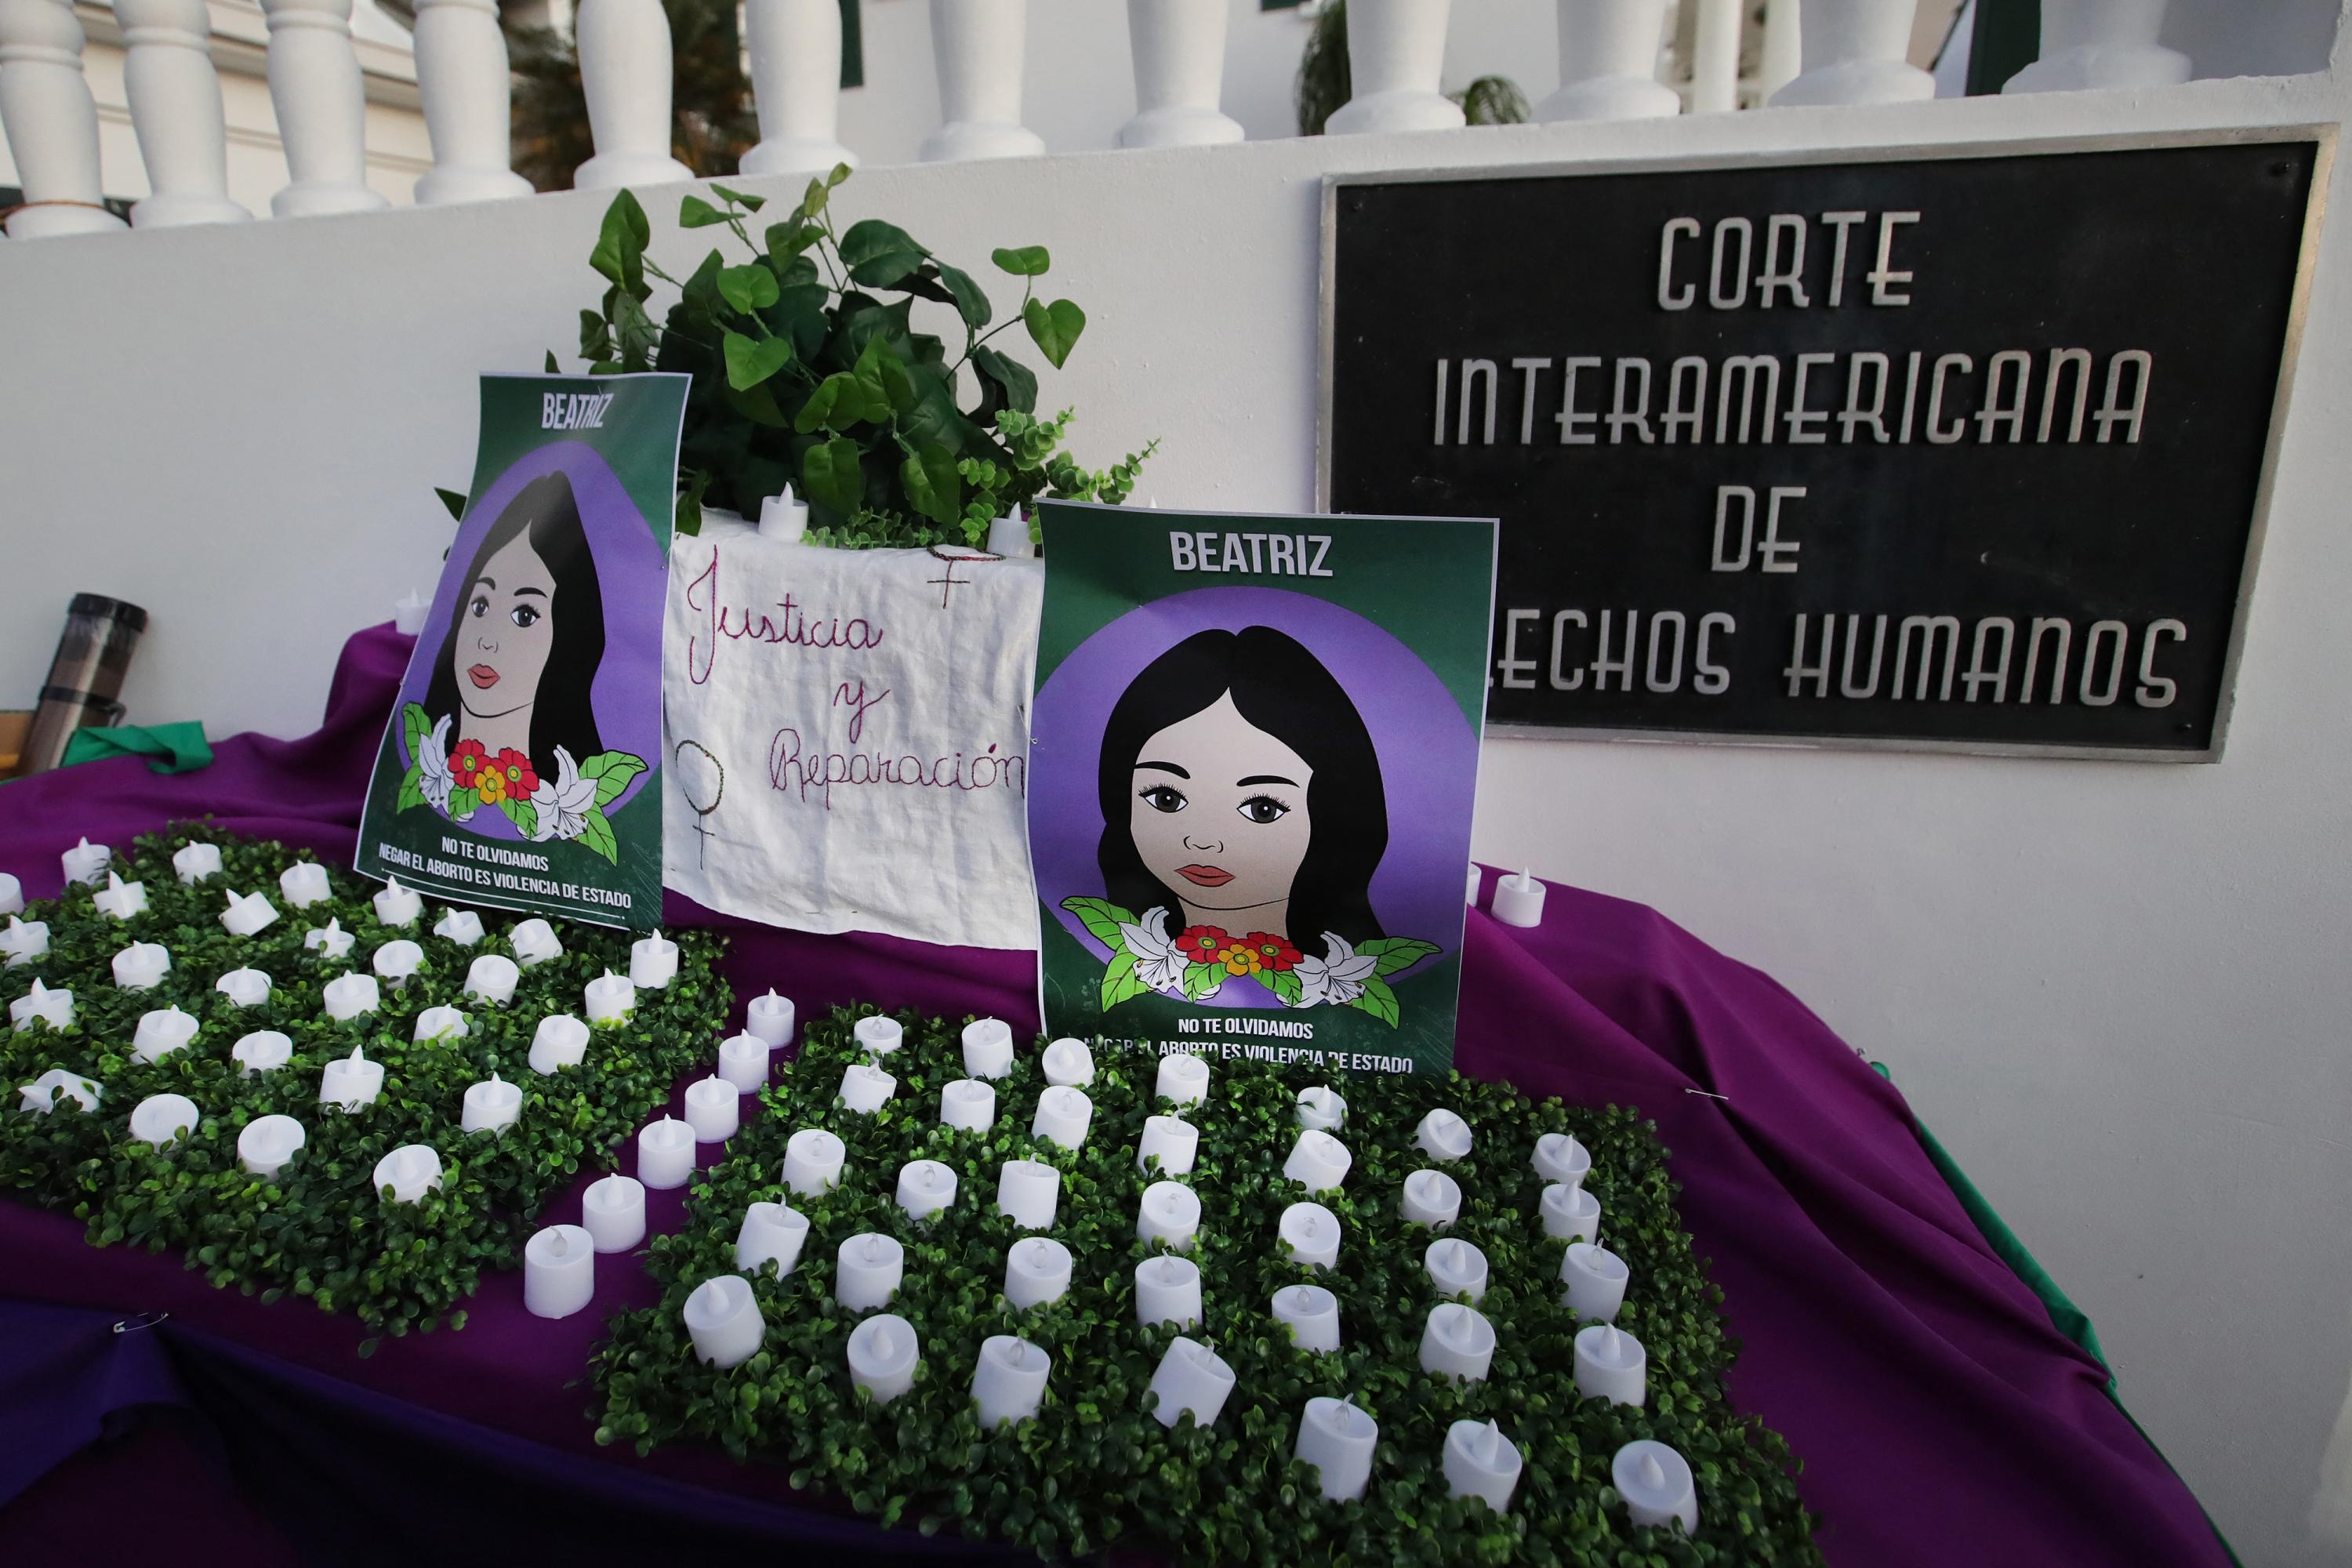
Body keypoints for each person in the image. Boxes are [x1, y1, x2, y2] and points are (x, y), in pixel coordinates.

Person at [1093, 625, 1387, 960]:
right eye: (1166, 799)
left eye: (1263, 809)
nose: (1203, 841)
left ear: (1333, 811)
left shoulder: (1351, 976)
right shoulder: (1114, 947)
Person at [422, 470, 606, 780]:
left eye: (524, 616)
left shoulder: (569, 803)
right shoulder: (426, 764)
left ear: (568, 636)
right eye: (480, 605)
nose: (487, 641)